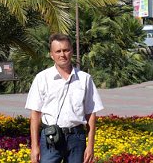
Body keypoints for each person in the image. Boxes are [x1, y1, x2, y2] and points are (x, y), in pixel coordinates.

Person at [25, 33, 103, 163]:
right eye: (58, 51)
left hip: (76, 138)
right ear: (51, 54)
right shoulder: (42, 78)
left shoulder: (85, 79)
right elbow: (35, 114)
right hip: (50, 136)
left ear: (71, 51)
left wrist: (90, 146)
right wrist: (34, 147)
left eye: (66, 50)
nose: (62, 54)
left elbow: (91, 114)